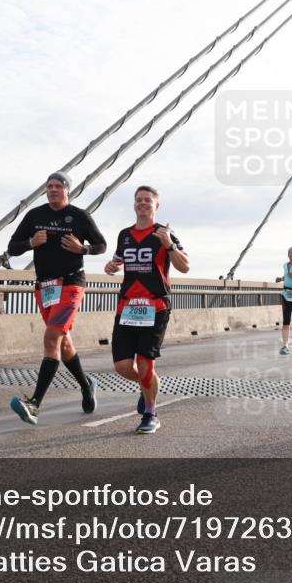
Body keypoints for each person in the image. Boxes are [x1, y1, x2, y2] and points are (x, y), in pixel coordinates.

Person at [8, 172, 107, 426]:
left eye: (58, 186)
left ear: (67, 190)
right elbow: (13, 247)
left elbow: (102, 245)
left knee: (52, 337)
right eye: (49, 186)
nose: (52, 190)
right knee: (63, 344)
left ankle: (34, 405)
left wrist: (82, 249)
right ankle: (86, 386)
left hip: (72, 284)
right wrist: (31, 242)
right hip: (45, 288)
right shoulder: (34, 216)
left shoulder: (80, 216)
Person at [104, 185, 190, 434]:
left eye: (147, 200)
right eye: (138, 200)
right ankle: (148, 385)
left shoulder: (165, 233)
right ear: (134, 205)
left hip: (155, 306)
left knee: (144, 362)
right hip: (127, 306)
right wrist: (112, 266)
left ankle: (150, 413)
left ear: (156, 206)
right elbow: (120, 261)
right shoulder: (125, 234)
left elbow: (184, 266)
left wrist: (169, 245)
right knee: (121, 366)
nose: (142, 204)